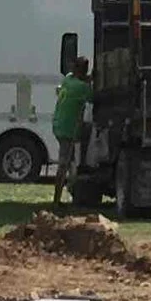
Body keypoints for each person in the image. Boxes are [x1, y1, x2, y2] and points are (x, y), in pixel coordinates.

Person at [50, 53, 89, 201]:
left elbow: (80, 80)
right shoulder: (82, 88)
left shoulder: (68, 79)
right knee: (64, 164)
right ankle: (57, 198)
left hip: (58, 124)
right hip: (69, 129)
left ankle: (68, 193)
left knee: (70, 162)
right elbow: (92, 97)